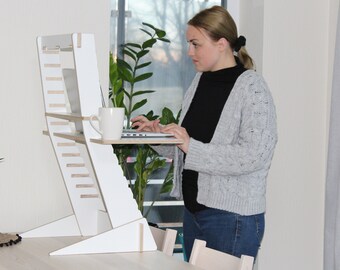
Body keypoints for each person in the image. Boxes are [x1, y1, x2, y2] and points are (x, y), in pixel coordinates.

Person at [132, 5, 277, 260]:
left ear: (221, 43)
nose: (189, 52)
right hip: (194, 213)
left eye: (195, 44)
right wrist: (158, 135)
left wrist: (190, 145)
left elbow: (254, 155)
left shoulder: (252, 88)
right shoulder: (199, 82)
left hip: (232, 219)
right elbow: (189, 149)